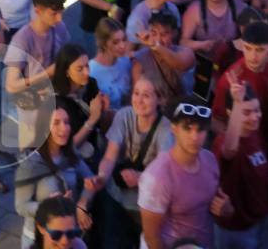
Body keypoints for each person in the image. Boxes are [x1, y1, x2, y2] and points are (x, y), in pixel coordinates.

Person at [213, 73, 268, 248]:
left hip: (262, 220)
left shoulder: (255, 134)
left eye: (257, 110)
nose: (255, 117)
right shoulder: (224, 141)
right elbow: (230, 150)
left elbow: (256, 164)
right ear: (230, 113)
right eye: (246, 112)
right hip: (237, 229)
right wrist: (238, 103)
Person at [94, 75, 173, 246]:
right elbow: (109, 157)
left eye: (146, 95)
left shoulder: (166, 130)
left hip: (146, 207)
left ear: (159, 99)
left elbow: (165, 176)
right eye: (136, 93)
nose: (139, 100)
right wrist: (101, 177)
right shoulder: (124, 115)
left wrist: (140, 178)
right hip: (118, 196)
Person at [138, 98, 224, 249]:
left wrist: (226, 209)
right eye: (187, 128)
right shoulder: (158, 177)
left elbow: (211, 205)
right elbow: (151, 237)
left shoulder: (210, 160)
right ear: (174, 128)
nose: (194, 137)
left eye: (200, 129)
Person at [13, 107, 96, 248]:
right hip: (39, 238)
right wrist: (52, 205)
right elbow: (21, 206)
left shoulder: (70, 153)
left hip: (67, 236)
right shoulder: (30, 164)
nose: (64, 127)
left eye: (66, 122)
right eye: (56, 123)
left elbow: (91, 179)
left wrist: (81, 204)